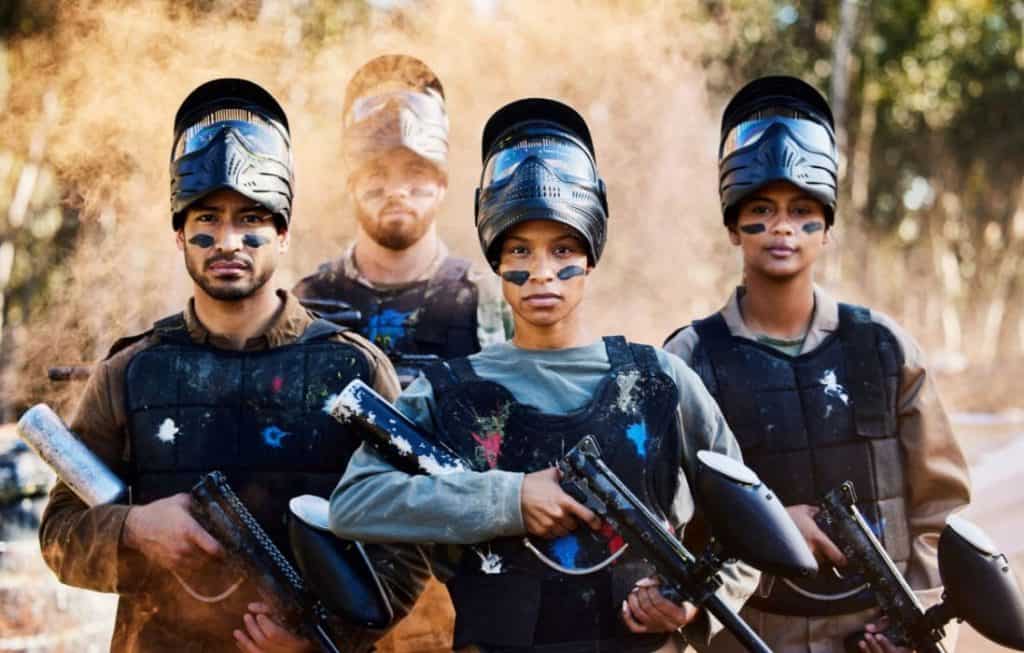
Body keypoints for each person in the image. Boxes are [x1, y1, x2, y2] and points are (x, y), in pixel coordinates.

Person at [329, 97, 758, 653]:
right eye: (520, 251)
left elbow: (751, 525)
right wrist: (508, 500)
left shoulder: (661, 382)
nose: (542, 274)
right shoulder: (447, 392)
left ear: (592, 253)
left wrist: (693, 599)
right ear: (495, 258)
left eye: (563, 250)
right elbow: (354, 503)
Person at [38, 78, 427, 652]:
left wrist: (319, 642)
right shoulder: (132, 372)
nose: (228, 241)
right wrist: (135, 529)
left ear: (283, 232)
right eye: (207, 220)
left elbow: (411, 542)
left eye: (250, 219)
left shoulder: (354, 370)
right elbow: (58, 536)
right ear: (179, 234)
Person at [664, 75, 971, 653]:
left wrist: (922, 624)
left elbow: (940, 508)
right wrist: (769, 528)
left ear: (826, 227)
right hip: (747, 632)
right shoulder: (687, 361)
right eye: (761, 209)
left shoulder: (884, 348)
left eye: (802, 210)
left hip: (879, 634)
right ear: (733, 225)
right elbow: (666, 520)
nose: (781, 226)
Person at [294, 54, 512, 387]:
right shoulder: (309, 301)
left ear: (442, 184)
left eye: (415, 171)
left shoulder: (489, 302)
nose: (396, 191)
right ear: (351, 184)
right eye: (377, 172)